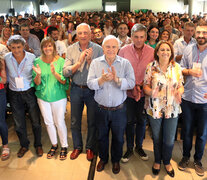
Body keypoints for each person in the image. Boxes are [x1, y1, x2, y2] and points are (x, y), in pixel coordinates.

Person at [87, 35, 135, 174]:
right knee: (101, 136)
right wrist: (101, 80)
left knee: (118, 137)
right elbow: (90, 83)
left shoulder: (125, 63)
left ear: (118, 48)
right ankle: (103, 158)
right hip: (101, 109)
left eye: (114, 47)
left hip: (119, 109)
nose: (111, 49)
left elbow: (131, 82)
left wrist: (117, 79)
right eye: (107, 46)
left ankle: (115, 160)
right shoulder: (95, 63)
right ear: (102, 48)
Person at [143, 40, 184, 177]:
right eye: (162, 50)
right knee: (157, 137)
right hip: (155, 108)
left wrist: (180, 92)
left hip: (172, 109)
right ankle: (157, 161)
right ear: (157, 52)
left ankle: (166, 161)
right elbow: (145, 86)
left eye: (168, 50)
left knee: (169, 139)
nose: (165, 52)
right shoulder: (151, 67)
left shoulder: (177, 67)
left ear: (171, 52)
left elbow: (181, 85)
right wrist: (151, 92)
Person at [63, 23, 103, 161]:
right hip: (75, 89)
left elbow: (101, 73)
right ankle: (77, 146)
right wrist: (79, 63)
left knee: (92, 121)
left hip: (92, 90)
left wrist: (90, 61)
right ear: (77, 34)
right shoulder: (71, 49)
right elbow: (65, 72)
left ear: (90, 34)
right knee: (75, 120)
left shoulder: (98, 49)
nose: (83, 36)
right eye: (80, 33)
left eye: (86, 33)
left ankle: (90, 147)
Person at [119, 23, 154, 163]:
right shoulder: (123, 51)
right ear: (131, 36)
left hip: (144, 93)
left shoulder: (152, 52)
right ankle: (129, 148)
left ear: (146, 36)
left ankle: (139, 146)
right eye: (136, 37)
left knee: (141, 121)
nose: (139, 40)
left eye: (141, 37)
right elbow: (120, 71)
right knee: (129, 121)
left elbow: (154, 73)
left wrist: (142, 86)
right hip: (127, 93)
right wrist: (131, 86)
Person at [5, 35, 43, 158]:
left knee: (35, 121)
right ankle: (24, 145)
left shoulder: (32, 57)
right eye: (13, 47)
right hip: (14, 93)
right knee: (19, 123)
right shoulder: (6, 58)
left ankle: (38, 145)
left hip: (29, 92)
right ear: (9, 47)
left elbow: (38, 73)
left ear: (24, 46)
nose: (16, 50)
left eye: (19, 47)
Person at [32, 37, 69, 160]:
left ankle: (64, 145)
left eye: (50, 46)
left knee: (59, 121)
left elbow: (64, 82)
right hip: (43, 97)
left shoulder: (61, 61)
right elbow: (36, 83)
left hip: (58, 97)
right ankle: (54, 144)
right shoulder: (37, 61)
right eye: (45, 46)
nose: (47, 48)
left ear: (53, 47)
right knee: (48, 122)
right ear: (42, 48)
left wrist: (54, 73)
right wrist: (38, 74)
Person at [178, 23, 207, 177]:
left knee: (202, 133)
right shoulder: (188, 48)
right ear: (195, 33)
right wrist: (189, 71)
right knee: (187, 131)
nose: (201, 35)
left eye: (204, 33)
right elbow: (181, 68)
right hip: (188, 97)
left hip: (204, 100)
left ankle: (198, 160)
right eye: (199, 32)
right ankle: (185, 157)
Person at [0, 57, 10, 161]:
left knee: (0, 121)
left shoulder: (1, 60)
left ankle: (5, 146)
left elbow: (3, 80)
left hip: (0, 92)